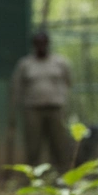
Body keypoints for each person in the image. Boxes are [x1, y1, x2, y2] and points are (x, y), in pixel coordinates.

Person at [10, 31, 74, 171]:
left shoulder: (60, 62)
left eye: (43, 43)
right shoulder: (25, 64)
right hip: (33, 109)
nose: (41, 46)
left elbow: (69, 82)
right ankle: (33, 177)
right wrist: (13, 112)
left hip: (56, 108)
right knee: (33, 145)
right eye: (37, 44)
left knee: (60, 144)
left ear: (48, 44)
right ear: (33, 45)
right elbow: (17, 87)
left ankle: (63, 176)